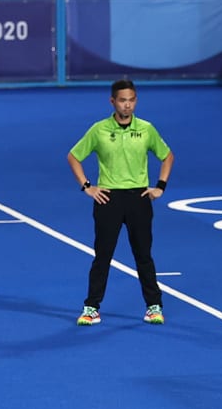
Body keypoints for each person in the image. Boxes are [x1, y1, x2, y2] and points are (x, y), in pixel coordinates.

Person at [66, 78, 174, 326]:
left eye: (132, 100)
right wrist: (87, 186)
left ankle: (154, 306)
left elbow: (167, 156)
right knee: (102, 256)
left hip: (139, 199)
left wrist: (160, 186)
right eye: (123, 100)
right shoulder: (99, 130)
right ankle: (91, 308)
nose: (127, 105)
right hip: (108, 199)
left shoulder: (146, 129)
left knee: (143, 255)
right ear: (112, 101)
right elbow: (73, 156)